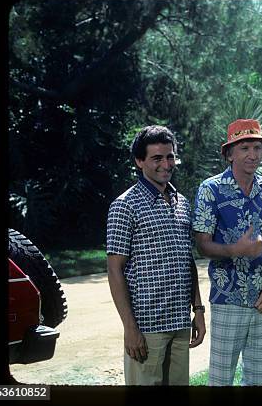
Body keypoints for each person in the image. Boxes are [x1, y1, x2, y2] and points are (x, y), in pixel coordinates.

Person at [193, 119, 262, 386]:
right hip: (228, 300)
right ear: (230, 153)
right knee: (221, 379)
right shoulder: (210, 190)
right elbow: (202, 244)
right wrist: (237, 250)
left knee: (259, 380)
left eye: (257, 147)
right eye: (245, 147)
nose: (253, 154)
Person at [106, 125, 205, 385]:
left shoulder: (182, 202)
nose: (166, 164)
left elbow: (187, 260)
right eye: (157, 158)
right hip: (146, 328)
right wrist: (130, 327)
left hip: (181, 323)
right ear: (140, 161)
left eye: (170, 156)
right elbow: (114, 269)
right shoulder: (124, 205)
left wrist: (199, 310)